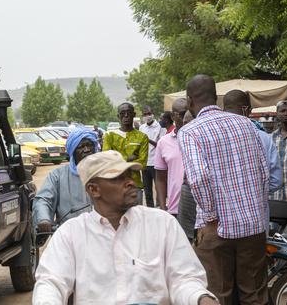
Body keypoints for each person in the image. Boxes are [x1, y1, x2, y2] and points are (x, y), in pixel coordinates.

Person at [33, 150, 218, 305]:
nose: (130, 182)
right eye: (118, 178)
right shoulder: (70, 234)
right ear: (94, 189)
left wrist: (200, 298)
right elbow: (50, 283)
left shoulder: (162, 223)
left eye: (129, 175)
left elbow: (184, 279)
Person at [179, 74, 270, 304]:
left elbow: (198, 179)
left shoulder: (190, 131)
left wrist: (210, 215)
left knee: (218, 295)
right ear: (217, 98)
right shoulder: (246, 124)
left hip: (216, 228)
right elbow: (263, 172)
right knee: (255, 294)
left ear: (190, 101)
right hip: (253, 225)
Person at [32, 128, 98, 234]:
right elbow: (44, 200)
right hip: (71, 236)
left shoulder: (105, 172)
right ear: (72, 152)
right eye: (81, 147)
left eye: (89, 145)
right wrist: (43, 219)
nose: (86, 150)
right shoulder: (58, 175)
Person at [223, 89, 282, 196]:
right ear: (246, 109)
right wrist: (256, 191)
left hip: (223, 209)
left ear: (223, 110)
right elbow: (276, 181)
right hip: (257, 207)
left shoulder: (212, 138)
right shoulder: (264, 138)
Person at [102, 102, 148, 203]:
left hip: (135, 186)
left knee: (136, 217)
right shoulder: (109, 136)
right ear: (118, 116)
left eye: (129, 113)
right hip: (114, 186)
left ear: (134, 115)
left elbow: (142, 164)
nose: (126, 116)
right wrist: (129, 159)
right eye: (123, 113)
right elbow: (107, 160)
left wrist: (118, 161)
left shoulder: (142, 137)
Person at [154, 98, 188, 217]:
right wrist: (163, 208)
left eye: (190, 113)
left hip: (202, 210)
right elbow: (160, 179)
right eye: (183, 114)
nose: (187, 118)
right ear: (173, 116)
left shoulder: (202, 139)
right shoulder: (163, 143)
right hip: (175, 210)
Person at [138, 105, 166, 207]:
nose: (147, 116)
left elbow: (161, 145)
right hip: (145, 162)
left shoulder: (160, 127)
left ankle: (160, 206)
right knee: (147, 188)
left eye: (149, 114)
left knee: (159, 187)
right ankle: (150, 208)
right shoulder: (141, 127)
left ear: (153, 114)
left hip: (156, 162)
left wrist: (148, 140)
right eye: (145, 114)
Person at [177, 110, 197, 242]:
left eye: (189, 123)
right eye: (184, 123)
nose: (185, 127)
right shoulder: (181, 139)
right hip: (187, 192)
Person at [271, 100, 287, 201]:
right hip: (275, 197)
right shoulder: (271, 138)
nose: (286, 113)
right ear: (277, 113)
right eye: (282, 111)